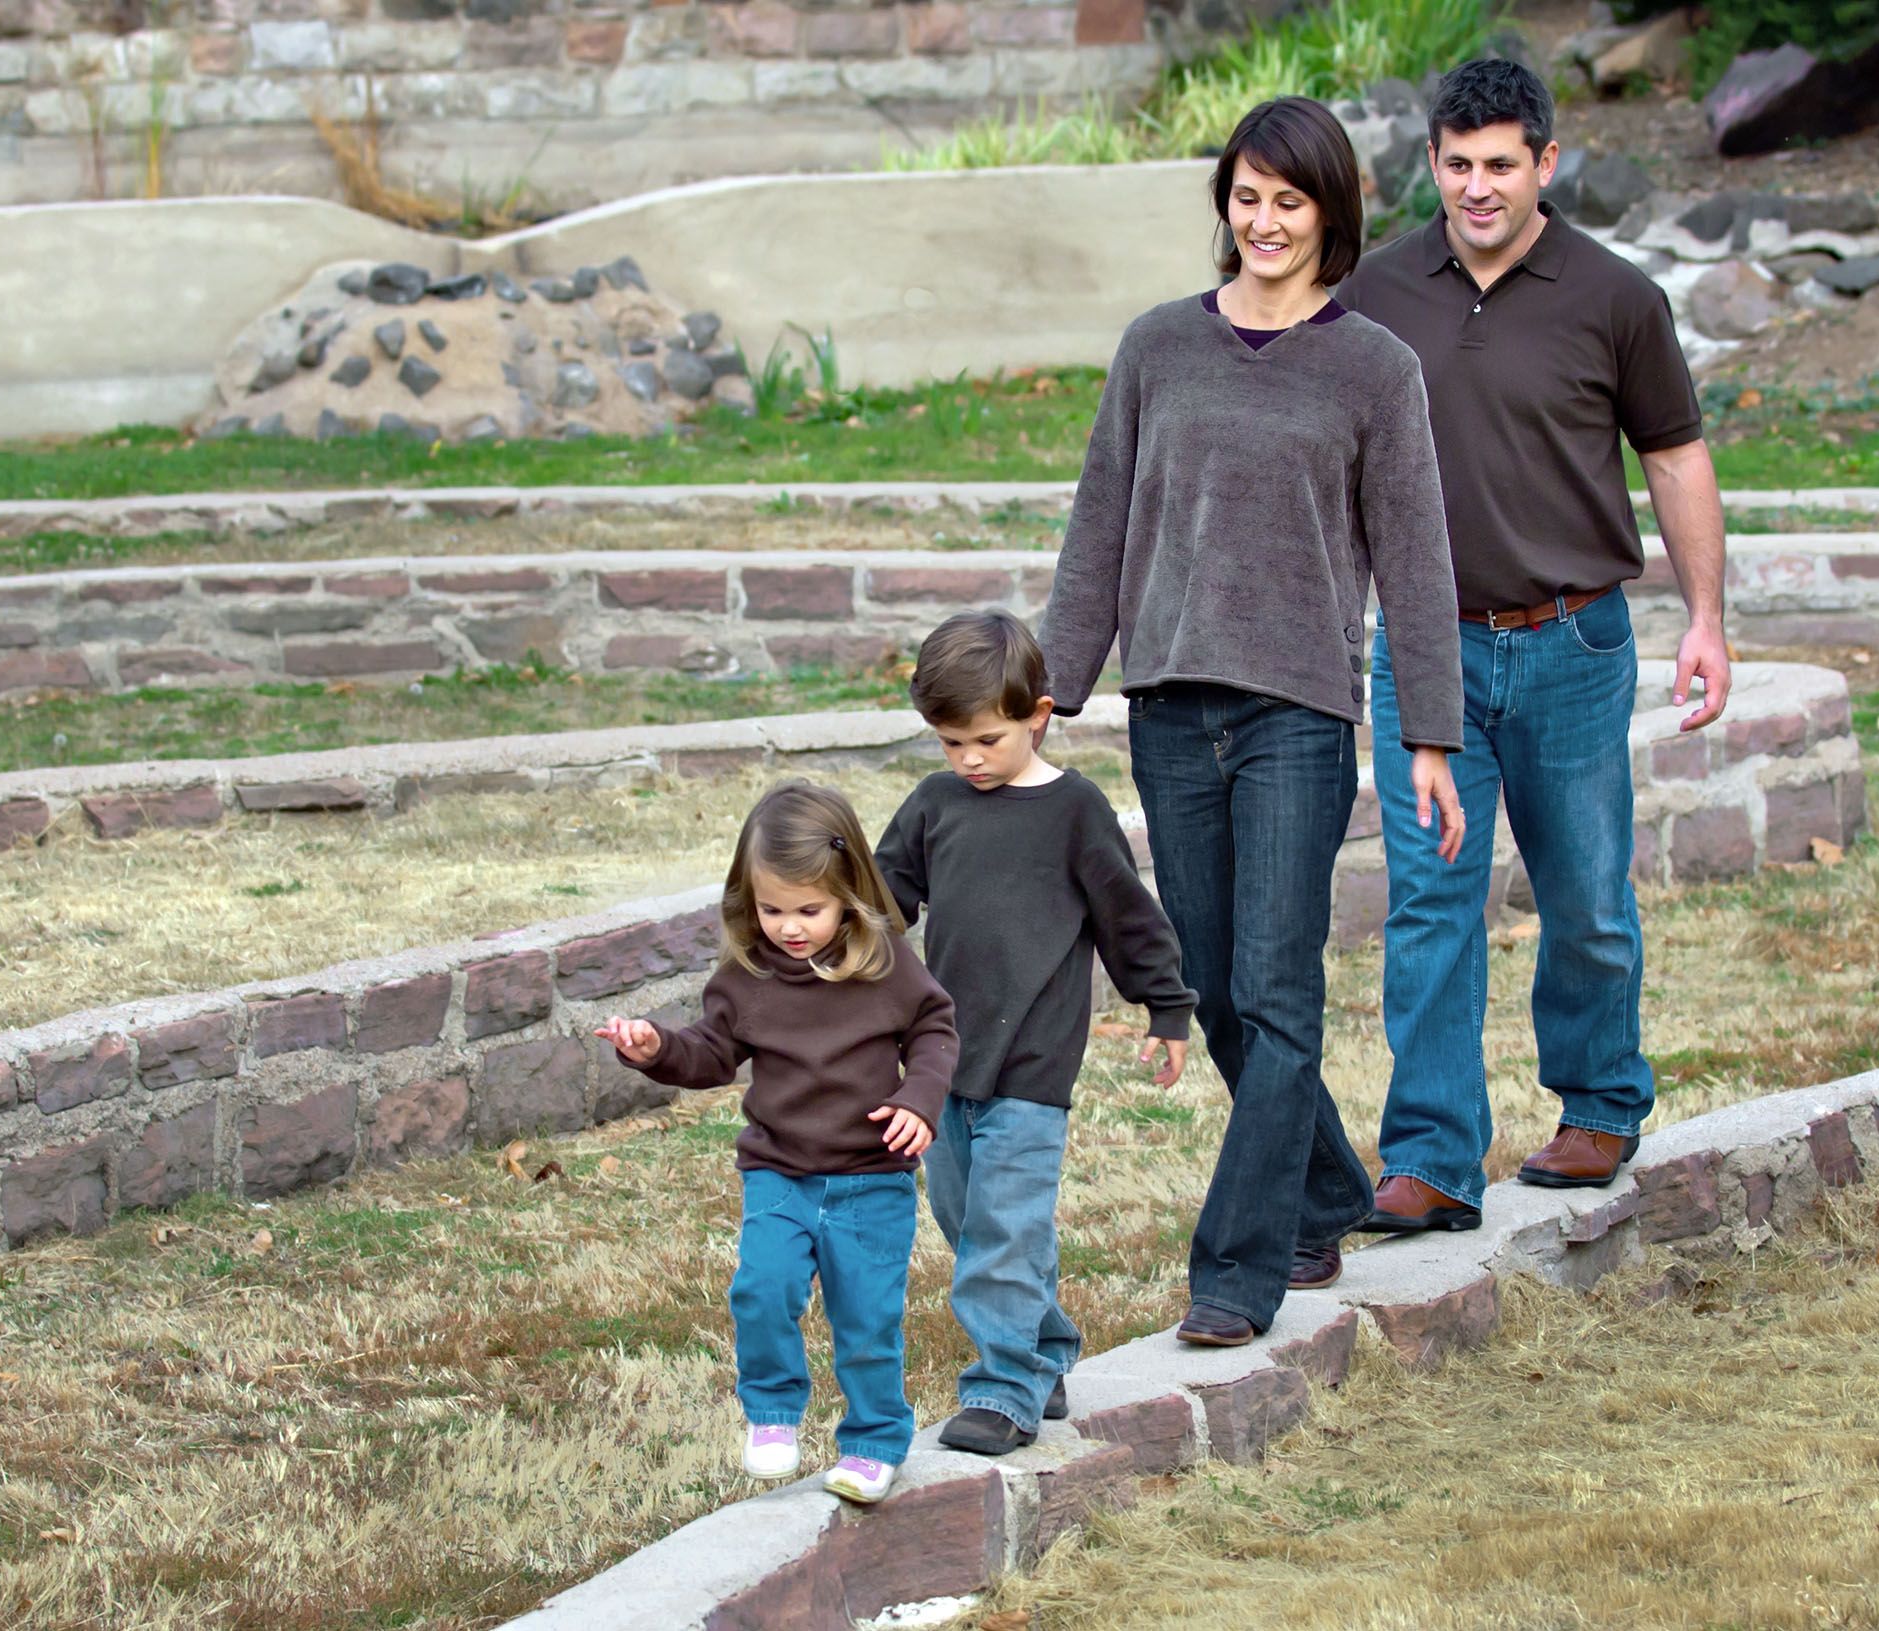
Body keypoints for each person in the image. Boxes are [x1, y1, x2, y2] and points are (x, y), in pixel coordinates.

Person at [1039, 95, 1468, 1349]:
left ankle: (1241, 1265)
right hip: (1171, 702)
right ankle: (1330, 1185)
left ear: (1329, 212)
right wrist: (1052, 685)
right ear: (1224, 203)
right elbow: (1099, 519)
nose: (1264, 220)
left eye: (1290, 200)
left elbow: (1417, 558)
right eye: (1247, 195)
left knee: (1279, 991)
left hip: (1297, 711)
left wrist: (1428, 729)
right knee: (1217, 988)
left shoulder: (1375, 368)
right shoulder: (1157, 347)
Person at [1342, 57, 1732, 1228]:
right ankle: (1429, 1158)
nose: (1475, 187)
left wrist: (1706, 617)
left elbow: (1674, 456)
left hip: (1572, 643)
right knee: (1429, 904)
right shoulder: (1373, 294)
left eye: (1499, 164)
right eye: (1455, 165)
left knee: (1586, 898)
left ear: (1545, 164)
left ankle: (1600, 1103)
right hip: (1424, 653)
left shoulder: (1613, 296)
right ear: (1434, 165)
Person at [875, 609, 1197, 1455]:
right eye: (950, 744)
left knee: (1004, 1232)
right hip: (941, 1062)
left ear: (1038, 714)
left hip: (1032, 1065)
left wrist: (1166, 1007)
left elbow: (1130, 919)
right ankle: (1047, 1348)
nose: (969, 759)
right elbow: (885, 899)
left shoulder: (1075, 811)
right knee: (965, 1216)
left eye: (986, 739)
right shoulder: (936, 804)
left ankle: (1005, 1389)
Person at [597, 780, 956, 1506]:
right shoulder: (748, 975)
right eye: (771, 909)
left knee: (866, 1321)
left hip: (871, 1178)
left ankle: (875, 1441)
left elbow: (934, 1028)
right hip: (780, 1173)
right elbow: (709, 1054)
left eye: (809, 910)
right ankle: (771, 1414)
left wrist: (919, 1097)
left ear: (850, 890)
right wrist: (656, 1048)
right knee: (761, 1288)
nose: (789, 927)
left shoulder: (885, 964)